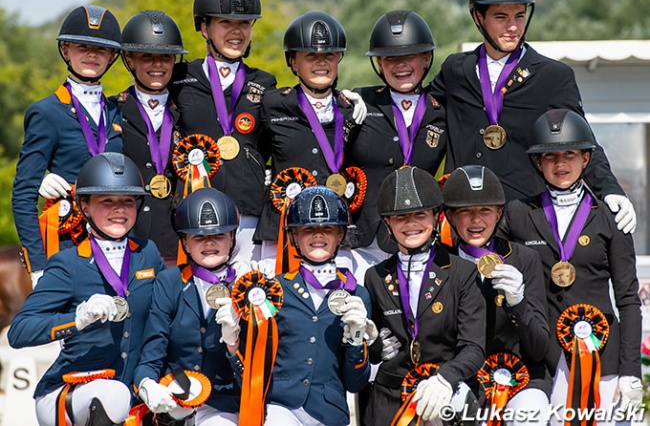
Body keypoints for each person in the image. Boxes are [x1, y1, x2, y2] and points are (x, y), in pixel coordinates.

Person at [429, 0, 636, 234]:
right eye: (501, 17)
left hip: (524, 219)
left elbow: (582, 141)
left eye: (519, 15)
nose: (513, 27)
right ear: (478, 17)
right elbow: (416, 112)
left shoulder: (553, 76)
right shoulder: (456, 69)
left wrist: (610, 188)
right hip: (465, 218)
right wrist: (364, 99)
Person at [500, 109, 642, 426]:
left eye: (569, 154)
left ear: (586, 159)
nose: (560, 164)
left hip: (603, 357)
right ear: (538, 162)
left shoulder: (610, 216)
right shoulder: (519, 214)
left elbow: (628, 300)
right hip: (545, 360)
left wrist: (632, 370)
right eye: (549, 156)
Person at [8, 153, 166, 426]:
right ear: (85, 206)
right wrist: (77, 319)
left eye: (127, 202)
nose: (119, 210)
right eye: (107, 201)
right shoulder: (68, 263)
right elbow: (19, 331)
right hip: (73, 390)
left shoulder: (148, 253)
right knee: (114, 394)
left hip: (133, 387)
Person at [223, 186, 374, 426]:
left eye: (328, 229)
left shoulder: (357, 295)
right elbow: (252, 364)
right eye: (308, 229)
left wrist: (356, 339)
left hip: (329, 411)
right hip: (281, 407)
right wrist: (232, 346)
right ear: (294, 237)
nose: (318, 235)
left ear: (341, 235)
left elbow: (356, 383)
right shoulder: (273, 290)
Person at [363, 166, 485, 426]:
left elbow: (473, 348)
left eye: (420, 214)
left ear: (435, 216)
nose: (411, 224)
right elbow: (376, 352)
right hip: (393, 393)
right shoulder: (374, 277)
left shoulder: (462, 273)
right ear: (387, 222)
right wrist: (374, 344)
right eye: (400, 217)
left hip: (444, 388)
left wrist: (445, 379)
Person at [12, 5, 123, 286]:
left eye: (100, 49)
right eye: (82, 46)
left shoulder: (118, 112)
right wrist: (37, 265)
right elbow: (23, 194)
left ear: (111, 56)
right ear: (66, 51)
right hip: (68, 248)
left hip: (118, 245)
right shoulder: (47, 113)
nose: (91, 55)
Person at [169, 0, 276, 264]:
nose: (237, 31)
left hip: (248, 218)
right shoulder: (180, 79)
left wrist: (345, 102)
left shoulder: (265, 83)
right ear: (204, 28)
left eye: (244, 23)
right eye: (226, 23)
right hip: (194, 221)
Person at [254, 11, 364, 268]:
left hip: (334, 232)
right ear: (293, 62)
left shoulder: (352, 110)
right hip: (281, 232)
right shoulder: (272, 106)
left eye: (329, 55)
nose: (321, 62)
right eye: (311, 55)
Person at [442, 165, 550, 425]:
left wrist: (518, 303)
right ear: (450, 216)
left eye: (485, 211)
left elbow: (538, 348)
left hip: (521, 376)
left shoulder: (525, 259)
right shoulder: (441, 263)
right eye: (466, 212)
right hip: (463, 376)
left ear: (499, 213)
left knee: (530, 416)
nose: (476, 221)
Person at [134, 187, 246, 426]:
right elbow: (152, 352)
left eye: (219, 235)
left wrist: (233, 347)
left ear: (232, 238)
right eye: (199, 237)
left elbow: (259, 369)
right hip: (174, 397)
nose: (209, 243)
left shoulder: (248, 285)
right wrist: (146, 384)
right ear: (185, 242)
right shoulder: (169, 282)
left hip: (225, 403)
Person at [346, 9, 446, 277]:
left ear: (426, 58)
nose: (400, 65)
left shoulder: (442, 111)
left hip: (420, 235)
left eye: (409, 56)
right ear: (379, 63)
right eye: (390, 58)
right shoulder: (359, 103)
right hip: (364, 242)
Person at [111, 10, 187, 265]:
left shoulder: (187, 113)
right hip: (128, 240)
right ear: (129, 60)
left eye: (165, 57)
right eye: (147, 57)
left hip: (177, 241)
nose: (157, 65)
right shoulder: (111, 111)